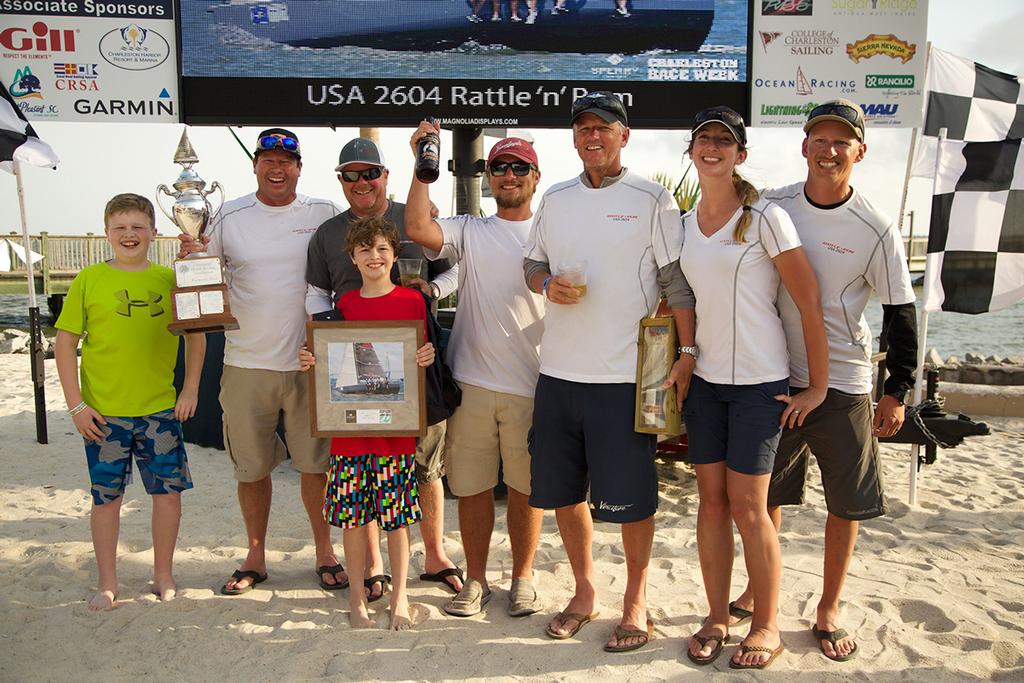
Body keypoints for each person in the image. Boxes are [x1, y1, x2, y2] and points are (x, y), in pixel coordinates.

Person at [728, 99, 918, 663]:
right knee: (768, 495)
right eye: (820, 139)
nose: (829, 151)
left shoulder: (875, 226)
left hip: (843, 383)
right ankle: (757, 591)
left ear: (861, 151)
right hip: (772, 375)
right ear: (804, 145)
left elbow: (900, 312)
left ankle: (828, 606)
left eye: (842, 142)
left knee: (845, 503)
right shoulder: (771, 204)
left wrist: (895, 391)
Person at [661, 107, 828, 670]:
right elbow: (683, 297)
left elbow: (809, 302)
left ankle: (766, 625)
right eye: (703, 139)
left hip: (761, 386)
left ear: (741, 155)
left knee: (749, 508)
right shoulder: (683, 223)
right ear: (691, 150)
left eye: (724, 142)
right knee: (709, 505)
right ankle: (714, 616)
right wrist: (685, 357)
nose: (712, 149)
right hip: (707, 384)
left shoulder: (765, 218)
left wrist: (817, 388)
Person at [523, 91, 682, 652]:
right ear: (574, 137)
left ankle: (636, 600)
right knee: (565, 494)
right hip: (559, 374)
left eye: (604, 128)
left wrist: (680, 360)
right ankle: (585, 592)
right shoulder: (556, 197)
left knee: (632, 500)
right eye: (584, 127)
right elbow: (532, 262)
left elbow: (677, 285)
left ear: (624, 136)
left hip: (622, 379)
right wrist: (545, 285)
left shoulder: (653, 198)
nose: (593, 136)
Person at [185, 129, 347, 596]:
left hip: (308, 364)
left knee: (315, 468)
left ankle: (325, 552)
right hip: (245, 365)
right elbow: (201, 280)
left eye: (287, 161)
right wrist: (191, 257)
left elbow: (364, 246)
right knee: (250, 470)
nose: (277, 169)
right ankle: (255, 555)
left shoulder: (323, 212)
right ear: (254, 164)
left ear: (300, 168)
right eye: (268, 160)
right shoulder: (227, 215)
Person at [306, 137, 463, 602]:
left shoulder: (414, 217)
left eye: (369, 172)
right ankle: (373, 565)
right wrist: (320, 343)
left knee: (427, 468)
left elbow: (456, 268)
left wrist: (430, 296)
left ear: (385, 175)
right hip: (354, 379)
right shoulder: (328, 233)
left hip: (417, 372)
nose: (361, 182)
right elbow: (318, 295)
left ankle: (433, 554)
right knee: (369, 465)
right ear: (341, 180)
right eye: (351, 175)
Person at [405, 127, 545, 618]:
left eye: (519, 167)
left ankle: (523, 579)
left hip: (534, 384)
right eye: (500, 167)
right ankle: (478, 581)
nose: (509, 175)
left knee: (528, 490)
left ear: (535, 176)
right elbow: (419, 227)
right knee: (473, 487)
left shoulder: (555, 230)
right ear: (488, 176)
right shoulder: (472, 229)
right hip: (472, 384)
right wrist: (423, 163)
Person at [54, 193, 206, 611]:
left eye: (138, 226)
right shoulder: (89, 280)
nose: (129, 234)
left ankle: (163, 574)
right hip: (103, 414)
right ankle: (108, 582)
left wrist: (190, 388)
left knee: (168, 495)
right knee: (106, 500)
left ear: (154, 233)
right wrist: (76, 405)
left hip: (159, 409)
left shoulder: (168, 279)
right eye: (120, 227)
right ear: (107, 233)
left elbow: (197, 333)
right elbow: (65, 343)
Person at [298, 215, 436, 630]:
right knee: (355, 521)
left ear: (394, 255)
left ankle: (399, 597)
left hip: (395, 436)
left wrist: (424, 357)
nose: (373, 257)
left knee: (396, 522)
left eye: (381, 249)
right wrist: (311, 360)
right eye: (364, 250)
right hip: (350, 437)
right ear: (352, 259)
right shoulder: (344, 307)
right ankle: (357, 598)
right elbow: (334, 366)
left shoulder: (413, 303)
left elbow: (421, 359)